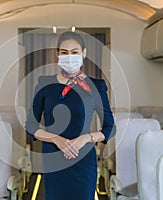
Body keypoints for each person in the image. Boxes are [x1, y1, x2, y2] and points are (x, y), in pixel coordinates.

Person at [25, 31, 114, 200]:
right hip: (53, 158)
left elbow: (110, 127)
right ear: (57, 54)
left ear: (84, 53)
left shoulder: (96, 85)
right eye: (64, 52)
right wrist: (56, 139)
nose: (69, 56)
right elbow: (31, 125)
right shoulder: (45, 83)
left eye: (75, 52)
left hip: (83, 159)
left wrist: (85, 138)